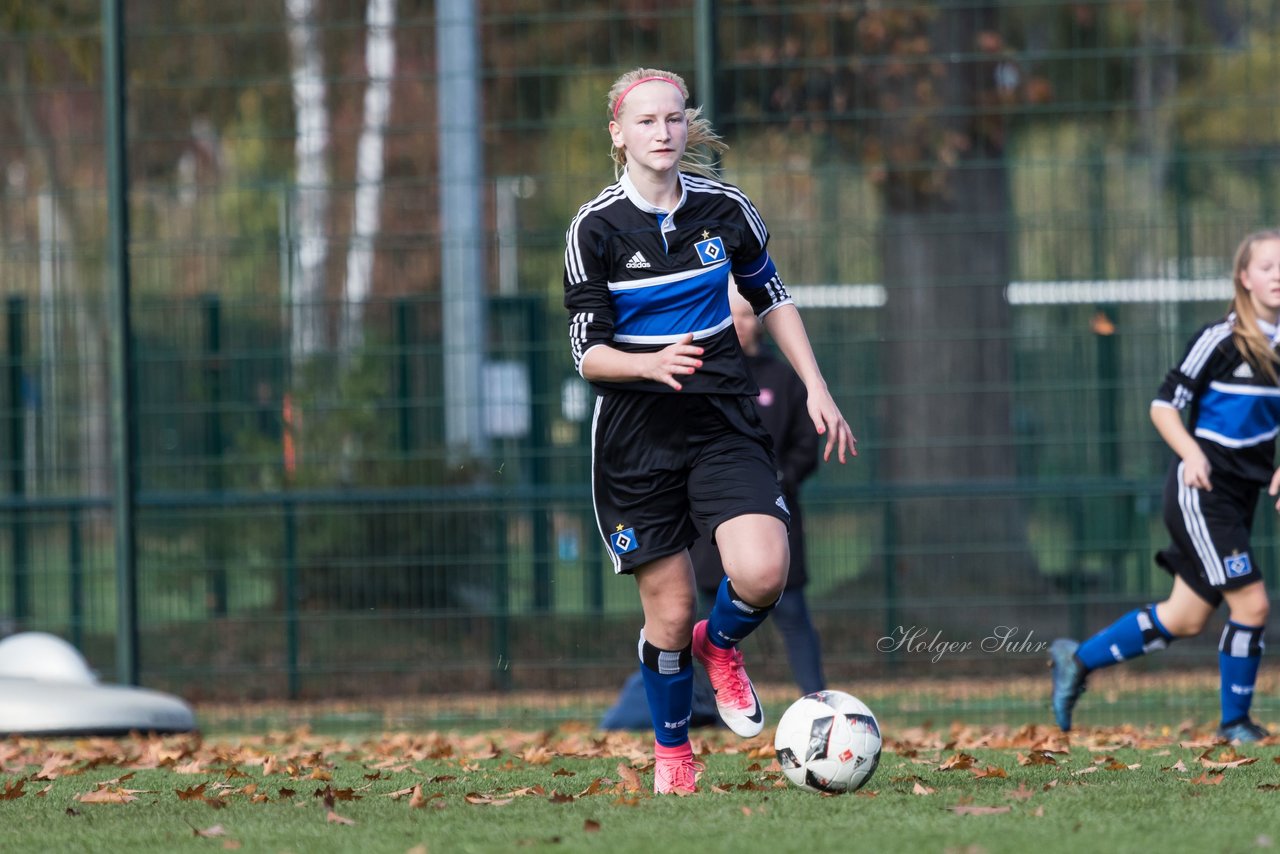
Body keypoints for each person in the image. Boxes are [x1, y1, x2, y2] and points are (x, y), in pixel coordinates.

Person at [564, 67, 855, 794]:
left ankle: (719, 646)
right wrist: (649, 361)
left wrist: (818, 387)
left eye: (673, 119)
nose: (662, 133)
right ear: (618, 135)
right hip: (635, 438)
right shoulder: (594, 229)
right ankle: (673, 756)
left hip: (724, 418)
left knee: (762, 570)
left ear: (686, 127)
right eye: (645, 122)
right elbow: (586, 353)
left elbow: (775, 298)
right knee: (667, 609)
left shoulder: (727, 210)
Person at [1050, 228, 1280, 743]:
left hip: (1241, 497)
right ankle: (1235, 724)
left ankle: (1075, 660)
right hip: (1201, 492)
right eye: (1267, 266)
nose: (1278, 274)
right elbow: (1163, 405)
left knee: (1185, 617)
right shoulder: (1219, 339)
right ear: (1244, 278)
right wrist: (1192, 451)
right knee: (1253, 605)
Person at [598, 290, 827, 732]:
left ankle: (815, 698)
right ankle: (693, 718)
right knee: (678, 616)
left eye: (746, 315)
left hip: (768, 514)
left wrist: (775, 480)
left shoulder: (781, 379)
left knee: (785, 607)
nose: (740, 323)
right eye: (733, 315)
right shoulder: (689, 373)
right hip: (704, 532)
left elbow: (804, 447)